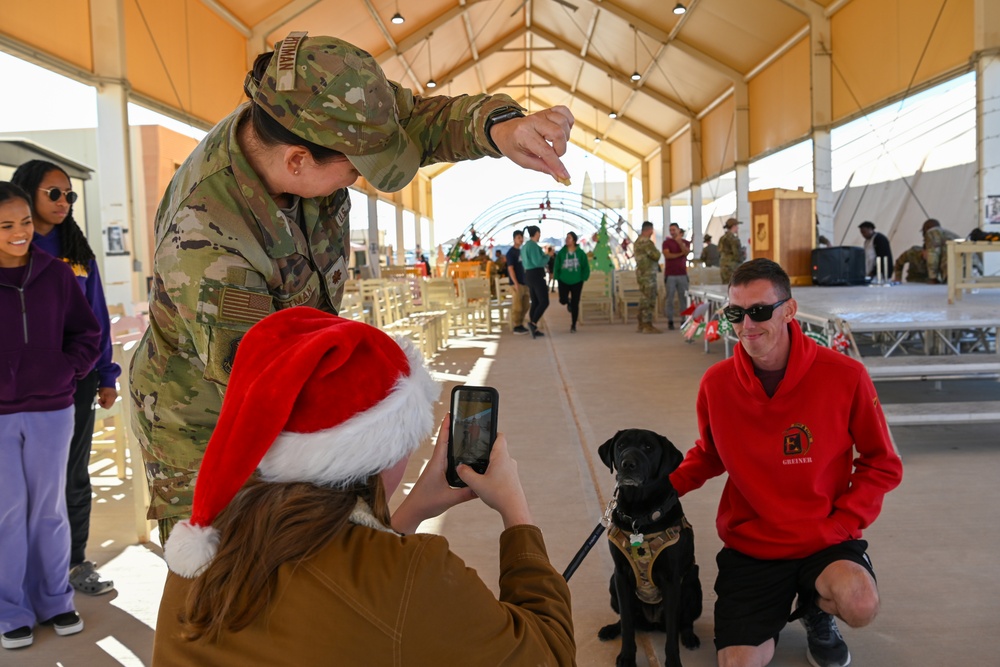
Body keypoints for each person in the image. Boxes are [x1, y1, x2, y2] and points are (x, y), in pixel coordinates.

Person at [129, 33, 574, 540]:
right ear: (297, 161)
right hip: (209, 432)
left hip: (288, 376)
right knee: (241, 589)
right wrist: (386, 431)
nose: (357, 181)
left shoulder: (329, 98)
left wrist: (500, 127)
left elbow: (415, 121)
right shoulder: (209, 242)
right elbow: (268, 395)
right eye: (353, 171)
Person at [151, 308, 574, 665]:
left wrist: (412, 510)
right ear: (385, 451)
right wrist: (515, 511)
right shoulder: (413, 574)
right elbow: (548, 652)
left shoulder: (205, 548)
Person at [670, 258, 903, 667]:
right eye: (736, 314)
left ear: (790, 310)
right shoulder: (717, 384)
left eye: (759, 312)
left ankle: (816, 609)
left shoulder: (845, 376)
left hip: (825, 536)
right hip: (754, 544)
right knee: (738, 663)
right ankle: (771, 610)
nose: (747, 325)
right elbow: (709, 454)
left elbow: (882, 462)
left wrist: (842, 523)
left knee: (860, 603)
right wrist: (661, 487)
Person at [11, 160, 120, 597]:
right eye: (53, 193)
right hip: (13, 389)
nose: (63, 202)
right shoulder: (10, 247)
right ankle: (22, 573)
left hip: (72, 384)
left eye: (69, 195)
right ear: (27, 193)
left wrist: (105, 372)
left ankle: (74, 563)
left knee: (72, 475)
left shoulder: (75, 251)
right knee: (16, 482)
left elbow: (96, 318)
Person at [0, 182, 101, 651]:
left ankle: (55, 600)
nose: (20, 233)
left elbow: (87, 331)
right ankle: (10, 609)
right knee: (7, 512)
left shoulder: (57, 275)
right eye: (7, 225)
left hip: (52, 409)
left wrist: (68, 370)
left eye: (24, 222)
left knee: (50, 510)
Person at [553, 231, 590, 333]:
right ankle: (568, 302)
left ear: (574, 240)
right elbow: (557, 265)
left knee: (575, 303)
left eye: (569, 238)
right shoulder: (561, 252)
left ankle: (573, 325)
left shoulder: (580, 253)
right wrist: (556, 276)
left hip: (577, 281)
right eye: (566, 237)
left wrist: (584, 277)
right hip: (563, 280)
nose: (566, 239)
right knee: (562, 300)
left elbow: (585, 266)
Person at [520, 225, 549, 338]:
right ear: (536, 233)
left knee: (535, 302)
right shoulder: (533, 246)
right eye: (539, 233)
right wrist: (547, 256)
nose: (540, 235)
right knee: (544, 301)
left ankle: (534, 327)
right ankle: (533, 323)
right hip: (536, 274)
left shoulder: (525, 246)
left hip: (529, 275)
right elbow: (538, 262)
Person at [633, 221, 662, 334]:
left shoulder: (637, 241)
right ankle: (647, 325)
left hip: (641, 274)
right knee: (649, 298)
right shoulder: (647, 242)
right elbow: (656, 255)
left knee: (644, 298)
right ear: (649, 230)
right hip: (648, 275)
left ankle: (641, 324)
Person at [662, 222, 690, 330]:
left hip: (682, 274)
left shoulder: (685, 242)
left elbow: (687, 253)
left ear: (679, 230)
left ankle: (684, 320)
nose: (672, 232)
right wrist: (680, 255)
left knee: (683, 298)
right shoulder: (666, 243)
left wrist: (680, 243)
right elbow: (667, 255)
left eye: (674, 230)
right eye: (671, 230)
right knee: (670, 298)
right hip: (670, 275)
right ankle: (670, 320)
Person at [921, 218, 960, 283]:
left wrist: (933, 278)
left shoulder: (932, 233)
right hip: (971, 270)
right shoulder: (949, 234)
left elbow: (933, 255)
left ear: (926, 228)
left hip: (955, 271)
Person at [719, 218, 746, 284]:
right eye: (737, 226)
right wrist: (744, 255)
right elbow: (738, 256)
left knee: (725, 289)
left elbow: (719, 251)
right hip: (732, 268)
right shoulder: (734, 239)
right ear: (733, 226)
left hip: (723, 267)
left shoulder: (722, 238)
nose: (738, 228)